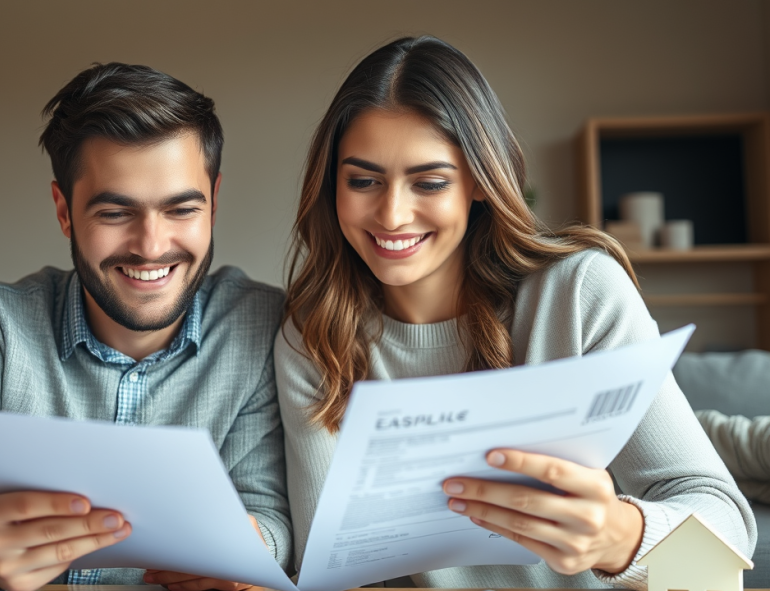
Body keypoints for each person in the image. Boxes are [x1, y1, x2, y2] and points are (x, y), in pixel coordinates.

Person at [276, 36, 755, 590]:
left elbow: (725, 546)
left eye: (430, 183)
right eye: (363, 181)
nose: (392, 214)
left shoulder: (577, 293)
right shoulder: (311, 336)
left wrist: (617, 538)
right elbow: (330, 573)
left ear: (479, 182)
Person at [0, 63, 291, 591]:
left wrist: (256, 549)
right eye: (115, 213)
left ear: (213, 204)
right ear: (65, 212)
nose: (151, 246)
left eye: (180, 209)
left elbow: (272, 515)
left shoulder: (262, 325)